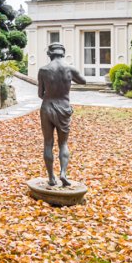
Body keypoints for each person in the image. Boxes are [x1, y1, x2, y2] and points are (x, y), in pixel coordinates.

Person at [37, 42, 86, 186]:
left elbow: (40, 94)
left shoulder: (43, 70)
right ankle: (63, 173)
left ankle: (51, 177)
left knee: (48, 143)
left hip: (47, 107)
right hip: (64, 107)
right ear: (62, 53)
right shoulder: (69, 69)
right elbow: (83, 81)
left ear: (49, 54)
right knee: (63, 143)